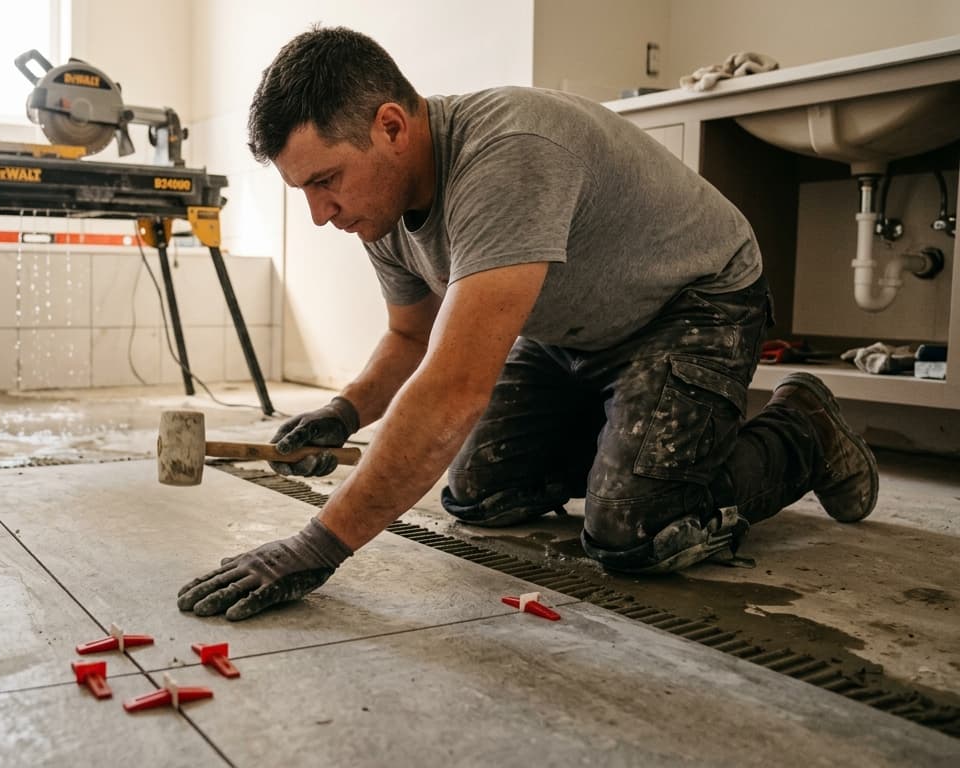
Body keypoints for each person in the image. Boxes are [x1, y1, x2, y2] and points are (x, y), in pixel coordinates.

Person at [177, 26, 878, 622]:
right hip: (574, 332)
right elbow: (411, 336)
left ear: (390, 127)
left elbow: (453, 390)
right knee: (478, 494)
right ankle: (632, 443)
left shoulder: (505, 154)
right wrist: (346, 411)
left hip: (693, 304)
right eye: (304, 190)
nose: (319, 213)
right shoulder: (382, 207)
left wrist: (318, 545)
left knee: (633, 530)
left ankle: (803, 430)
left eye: (325, 181)